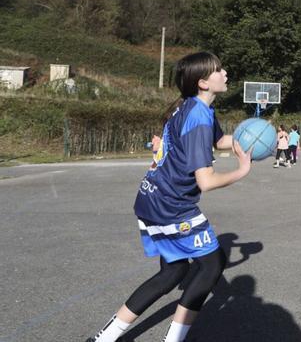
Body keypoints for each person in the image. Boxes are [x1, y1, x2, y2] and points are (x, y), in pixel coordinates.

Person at [87, 52, 252, 342]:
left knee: (173, 272)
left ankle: (104, 338)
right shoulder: (198, 116)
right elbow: (206, 181)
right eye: (219, 70)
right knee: (212, 265)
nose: (225, 73)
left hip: (150, 197)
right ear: (203, 82)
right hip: (171, 206)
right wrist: (242, 171)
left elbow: (221, 141)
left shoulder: (192, 107)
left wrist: (253, 137)